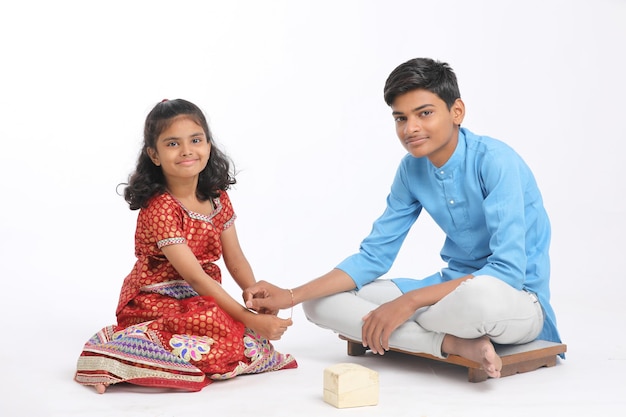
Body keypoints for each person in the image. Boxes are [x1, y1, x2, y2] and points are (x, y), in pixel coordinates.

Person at [244, 58, 562, 379]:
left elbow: (506, 272)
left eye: (424, 113)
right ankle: (452, 342)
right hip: (446, 294)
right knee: (317, 303)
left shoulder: (496, 160)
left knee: (479, 296)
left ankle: (406, 329)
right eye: (400, 118)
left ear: (456, 112)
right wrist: (291, 295)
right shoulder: (411, 169)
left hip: (514, 299)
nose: (410, 129)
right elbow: (374, 257)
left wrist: (409, 303)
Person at [75, 99, 296, 393]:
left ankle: (161, 355)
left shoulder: (217, 196)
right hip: (156, 299)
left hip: (202, 297)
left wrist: (254, 298)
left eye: (195, 140)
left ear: (208, 144)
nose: (187, 150)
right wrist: (246, 318)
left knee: (243, 339)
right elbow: (194, 276)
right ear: (154, 155)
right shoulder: (160, 207)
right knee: (217, 328)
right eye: (172, 144)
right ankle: (109, 356)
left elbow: (236, 258)